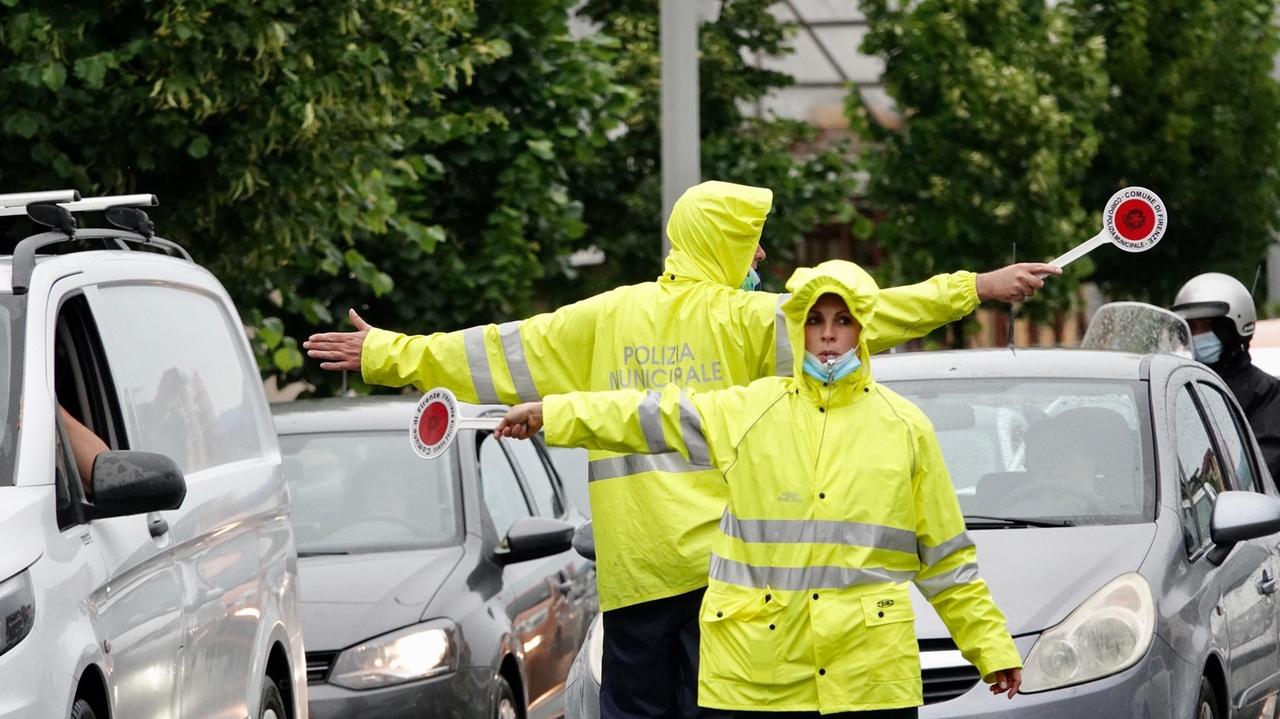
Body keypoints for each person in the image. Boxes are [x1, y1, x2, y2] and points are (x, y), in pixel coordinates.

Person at [304, 180, 1055, 719]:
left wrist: (385, 353)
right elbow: (873, 312)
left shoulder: (605, 316)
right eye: (751, 241)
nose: (761, 254)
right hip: (733, 577)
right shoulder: (755, 321)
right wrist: (975, 287)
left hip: (636, 570)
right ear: (725, 244)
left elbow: (490, 353)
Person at [496, 260, 1023, 717]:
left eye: (843, 320)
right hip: (765, 678)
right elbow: (649, 415)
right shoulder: (751, 409)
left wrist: (990, 647)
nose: (828, 334)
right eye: (815, 320)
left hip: (870, 678)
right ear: (798, 330)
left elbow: (948, 559)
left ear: (863, 327)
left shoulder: (905, 427)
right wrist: (554, 412)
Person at [1172, 273, 1280, 480]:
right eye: (1190, 327)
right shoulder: (1178, 386)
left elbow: (1259, 470)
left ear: (1234, 328)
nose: (1196, 335)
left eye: (1207, 325)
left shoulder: (1267, 392)